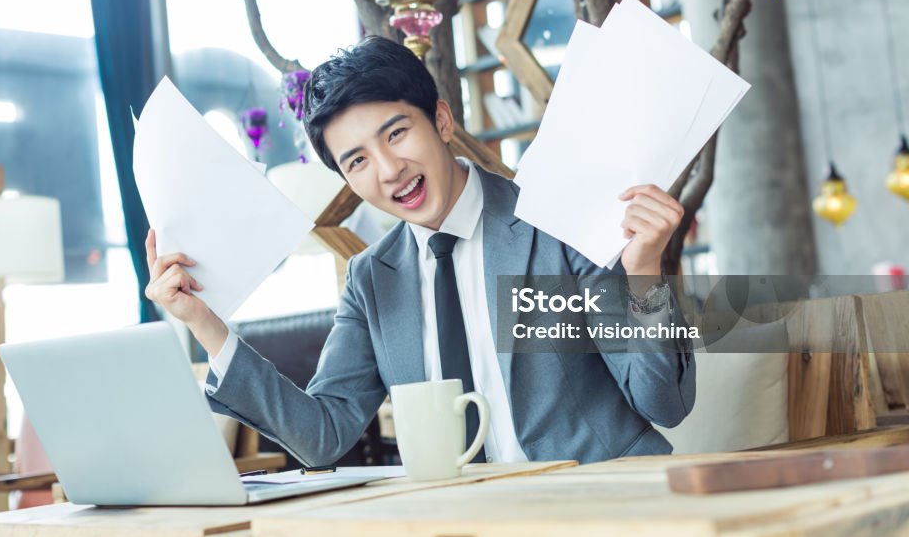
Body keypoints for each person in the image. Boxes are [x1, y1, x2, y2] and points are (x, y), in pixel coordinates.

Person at [145, 36, 695, 466]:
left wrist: (644, 273)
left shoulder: (551, 222)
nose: (388, 171)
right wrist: (205, 324)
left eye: (396, 133)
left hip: (596, 513)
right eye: (356, 161)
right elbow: (323, 434)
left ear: (441, 119)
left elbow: (663, 405)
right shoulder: (372, 279)